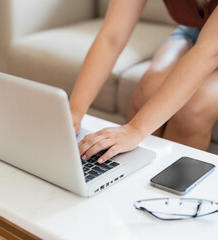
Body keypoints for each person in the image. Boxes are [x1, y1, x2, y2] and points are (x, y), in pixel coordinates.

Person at [69, 0, 218, 163]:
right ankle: (123, 174)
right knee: (147, 91)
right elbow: (111, 37)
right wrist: (74, 111)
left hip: (211, 45)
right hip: (194, 30)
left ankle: (166, 184)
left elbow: (207, 53)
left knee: (192, 110)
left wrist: (135, 130)